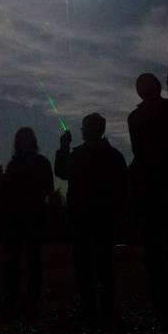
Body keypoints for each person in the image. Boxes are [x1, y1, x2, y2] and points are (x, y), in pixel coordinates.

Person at [127, 72, 168, 321]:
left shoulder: (136, 117)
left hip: (152, 188)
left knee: (158, 249)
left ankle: (164, 304)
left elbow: (139, 151)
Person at [54, 114, 127, 319]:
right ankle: (105, 309)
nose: (83, 131)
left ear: (90, 130)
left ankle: (92, 308)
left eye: (85, 127)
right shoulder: (115, 156)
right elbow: (123, 189)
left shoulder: (80, 155)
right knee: (102, 265)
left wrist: (63, 148)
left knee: (87, 266)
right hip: (102, 218)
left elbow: (61, 171)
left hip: (85, 218)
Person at [2, 127, 54, 316]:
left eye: (26, 139)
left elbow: (48, 186)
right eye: (21, 139)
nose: (23, 143)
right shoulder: (15, 164)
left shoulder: (38, 162)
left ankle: (30, 297)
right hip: (17, 217)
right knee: (14, 259)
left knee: (32, 258)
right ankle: (12, 296)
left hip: (33, 216)